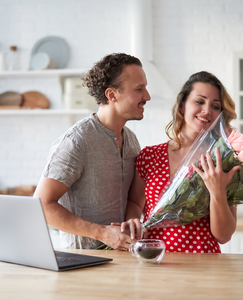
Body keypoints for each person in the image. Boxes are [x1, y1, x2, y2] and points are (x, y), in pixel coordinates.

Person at [33, 53, 151, 250]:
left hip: (123, 258)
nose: (147, 96)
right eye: (139, 89)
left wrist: (132, 223)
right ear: (112, 95)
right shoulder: (77, 141)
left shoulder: (131, 140)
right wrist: (103, 233)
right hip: (82, 262)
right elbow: (42, 206)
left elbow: (131, 199)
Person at [121, 71, 240, 253]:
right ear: (183, 105)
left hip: (204, 264)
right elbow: (136, 203)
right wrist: (133, 220)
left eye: (215, 106)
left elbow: (223, 236)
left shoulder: (223, 162)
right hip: (154, 259)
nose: (207, 110)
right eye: (199, 102)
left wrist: (217, 191)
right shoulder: (149, 156)